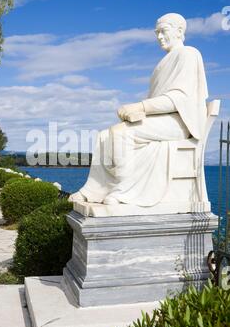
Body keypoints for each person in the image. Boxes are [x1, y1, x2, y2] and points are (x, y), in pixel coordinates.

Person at [69, 13, 208, 206]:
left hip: (180, 122)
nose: (159, 37)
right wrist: (137, 113)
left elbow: (179, 98)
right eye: (156, 33)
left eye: (163, 31)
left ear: (179, 31)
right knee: (103, 135)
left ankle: (124, 191)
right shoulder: (162, 64)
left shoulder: (188, 54)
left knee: (121, 133)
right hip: (162, 120)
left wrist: (140, 106)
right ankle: (94, 189)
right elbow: (157, 101)